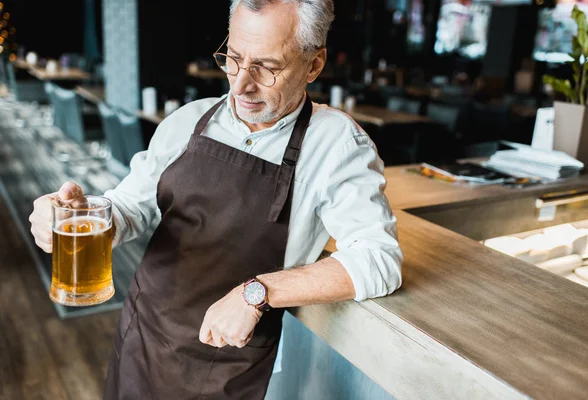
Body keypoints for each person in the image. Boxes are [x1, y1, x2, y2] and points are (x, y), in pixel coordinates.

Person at [29, 0, 402, 398]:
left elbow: (378, 258)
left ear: (314, 64)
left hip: (228, 365)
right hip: (144, 337)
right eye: (234, 59)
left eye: (267, 67)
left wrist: (256, 292)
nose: (241, 84)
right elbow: (128, 207)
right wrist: (77, 214)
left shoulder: (337, 146)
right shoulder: (189, 120)